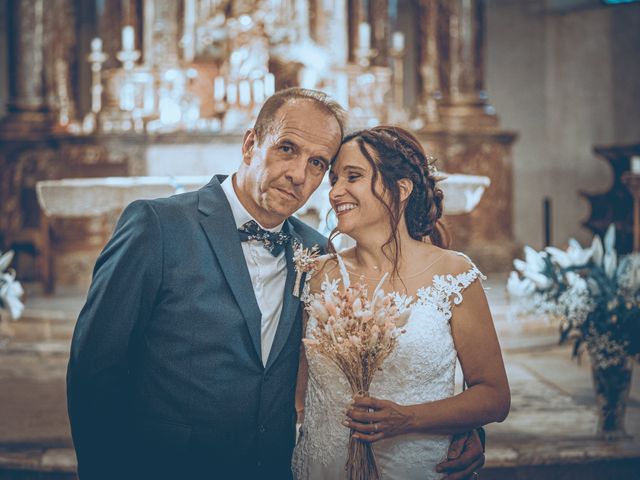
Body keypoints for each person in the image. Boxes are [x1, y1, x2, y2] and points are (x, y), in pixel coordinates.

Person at [67, 88, 486, 480]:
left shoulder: (320, 256)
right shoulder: (158, 227)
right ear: (251, 144)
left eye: (318, 163)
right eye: (287, 149)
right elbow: (96, 370)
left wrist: (461, 430)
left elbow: (386, 363)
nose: (298, 174)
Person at [292, 126, 510, 479]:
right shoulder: (317, 274)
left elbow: (495, 395)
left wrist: (410, 419)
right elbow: (295, 394)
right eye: (334, 179)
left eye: (353, 176)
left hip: (417, 465)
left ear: (402, 188)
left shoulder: (452, 273)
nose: (335, 192)